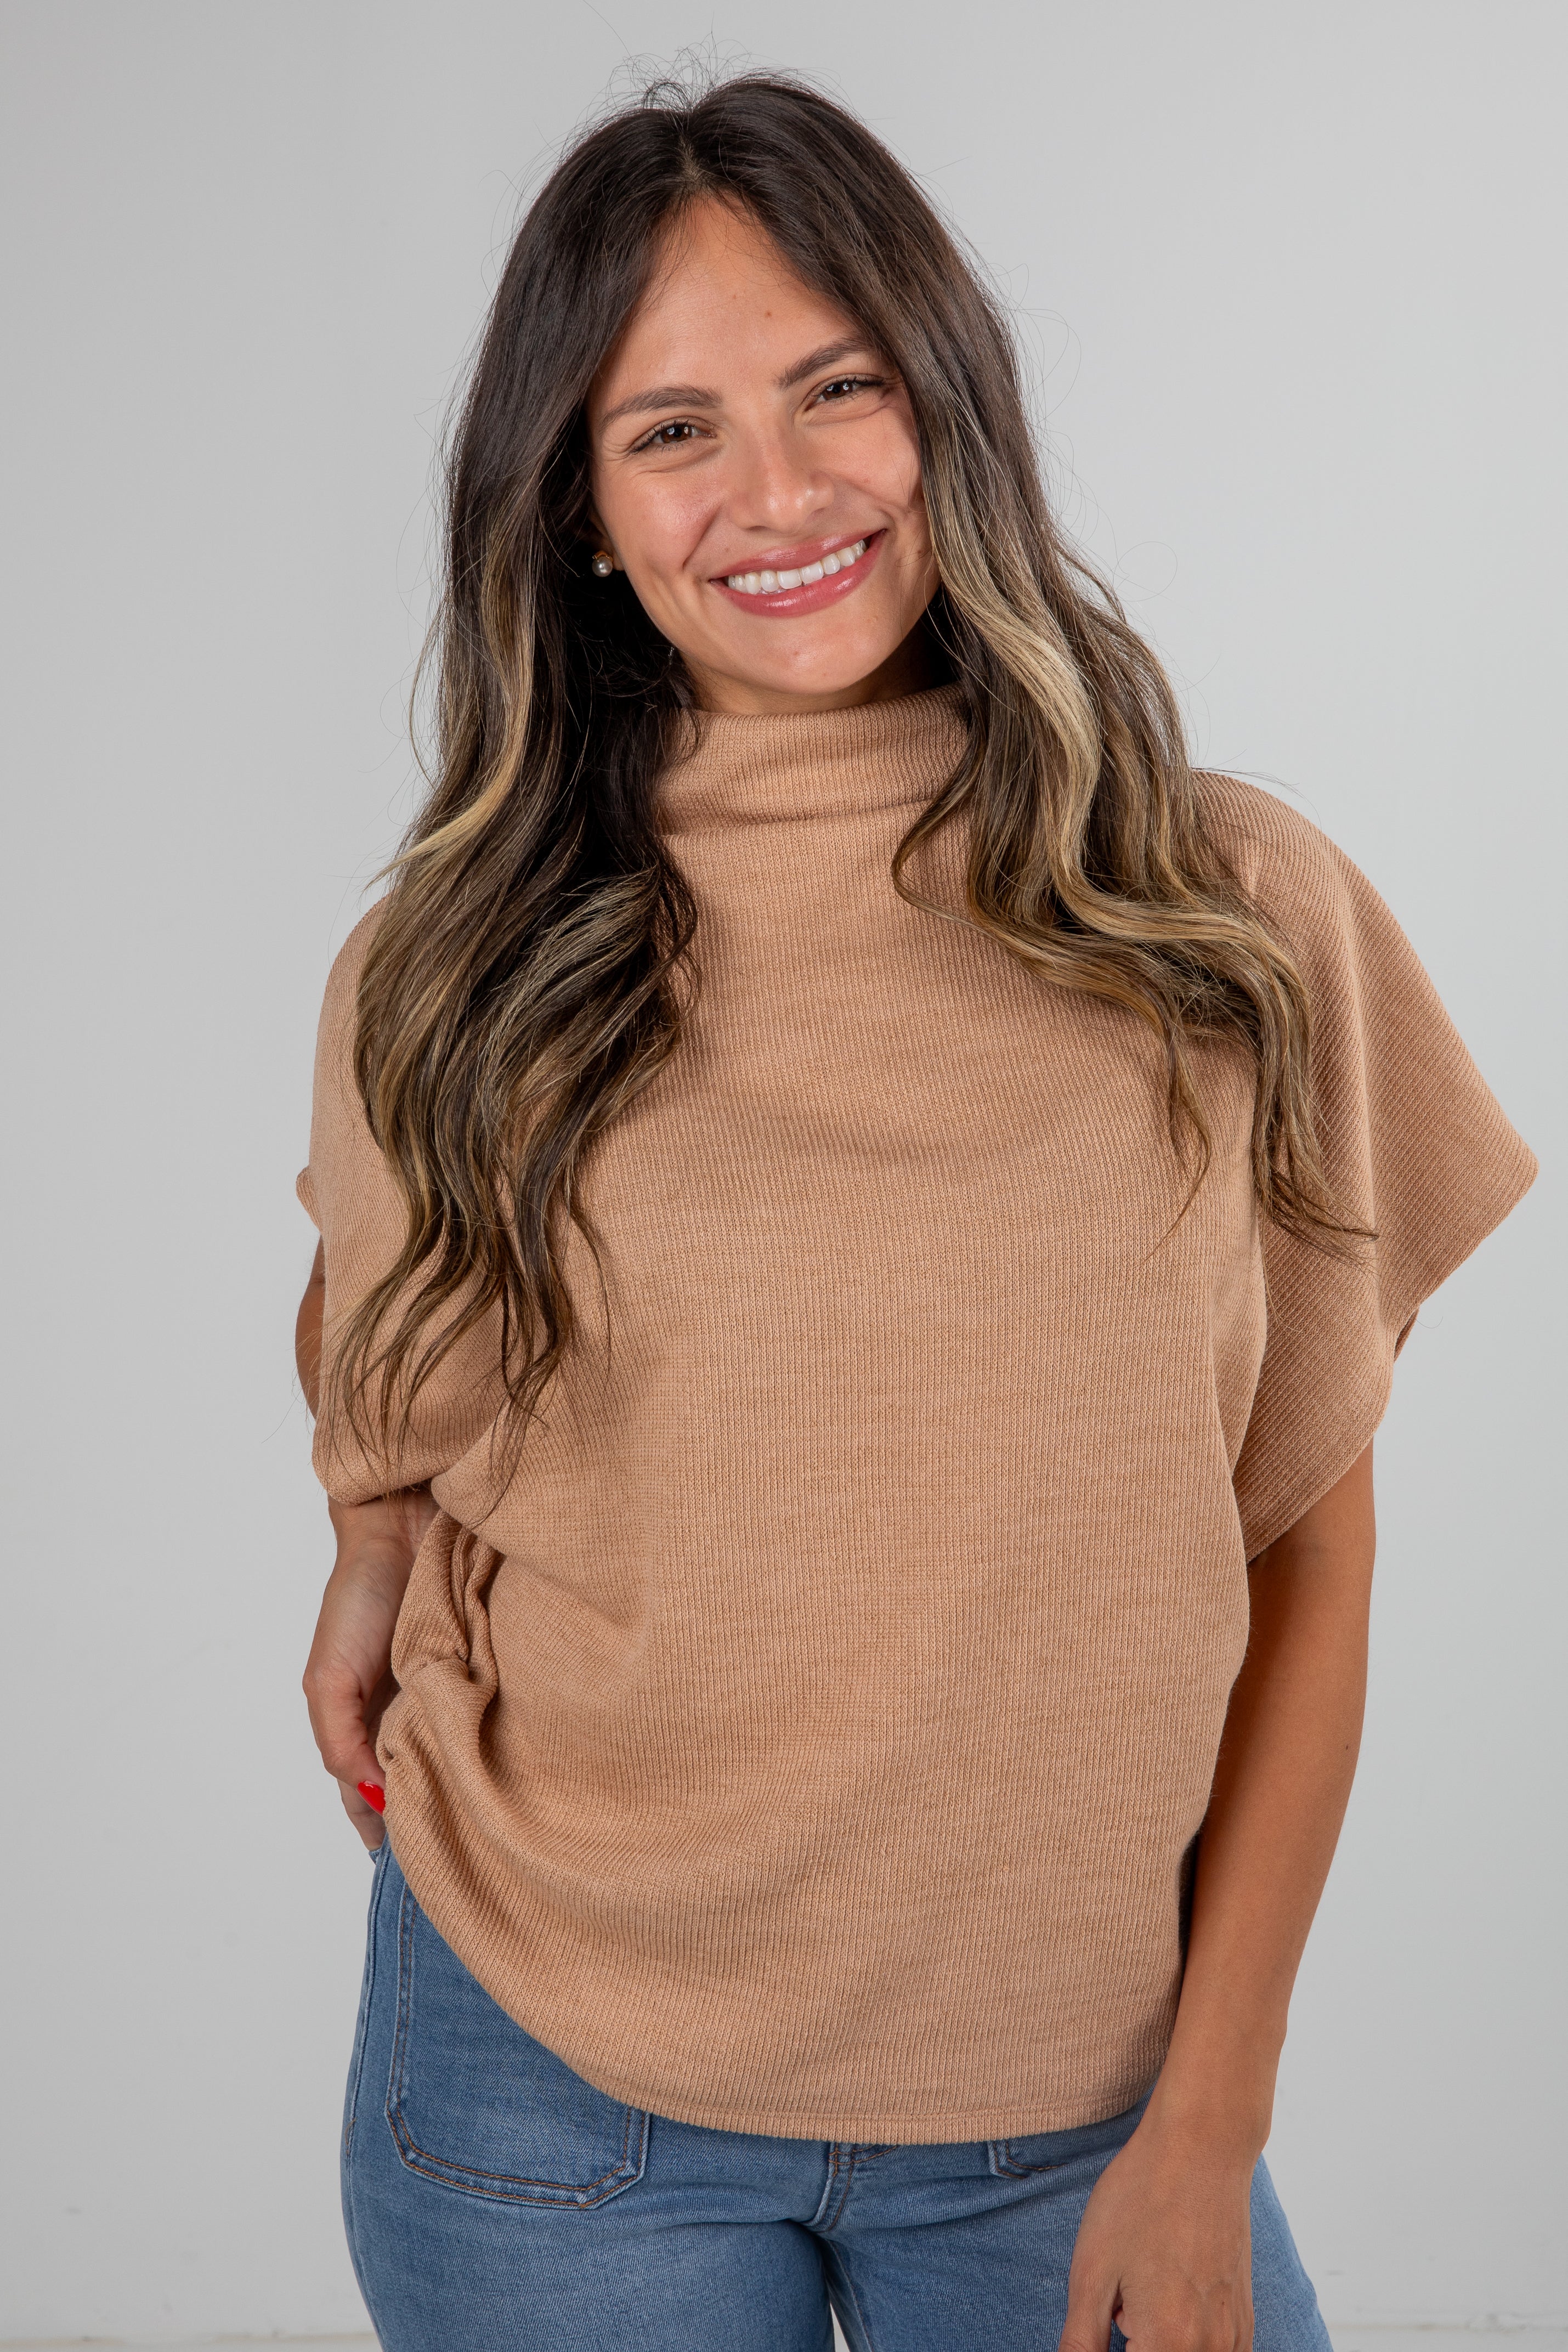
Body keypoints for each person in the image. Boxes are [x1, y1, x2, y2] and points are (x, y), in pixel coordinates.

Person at [293, 72, 1535, 2352]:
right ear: (573, 506)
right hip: (552, 2093)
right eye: (668, 429)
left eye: (833, 386)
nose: (776, 493)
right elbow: (405, 1367)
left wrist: (1206, 2127)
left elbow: (1307, 1548)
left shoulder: (1222, 908)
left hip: (1081, 2111)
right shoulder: (454, 954)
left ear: (940, 404)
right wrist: (369, 1540)